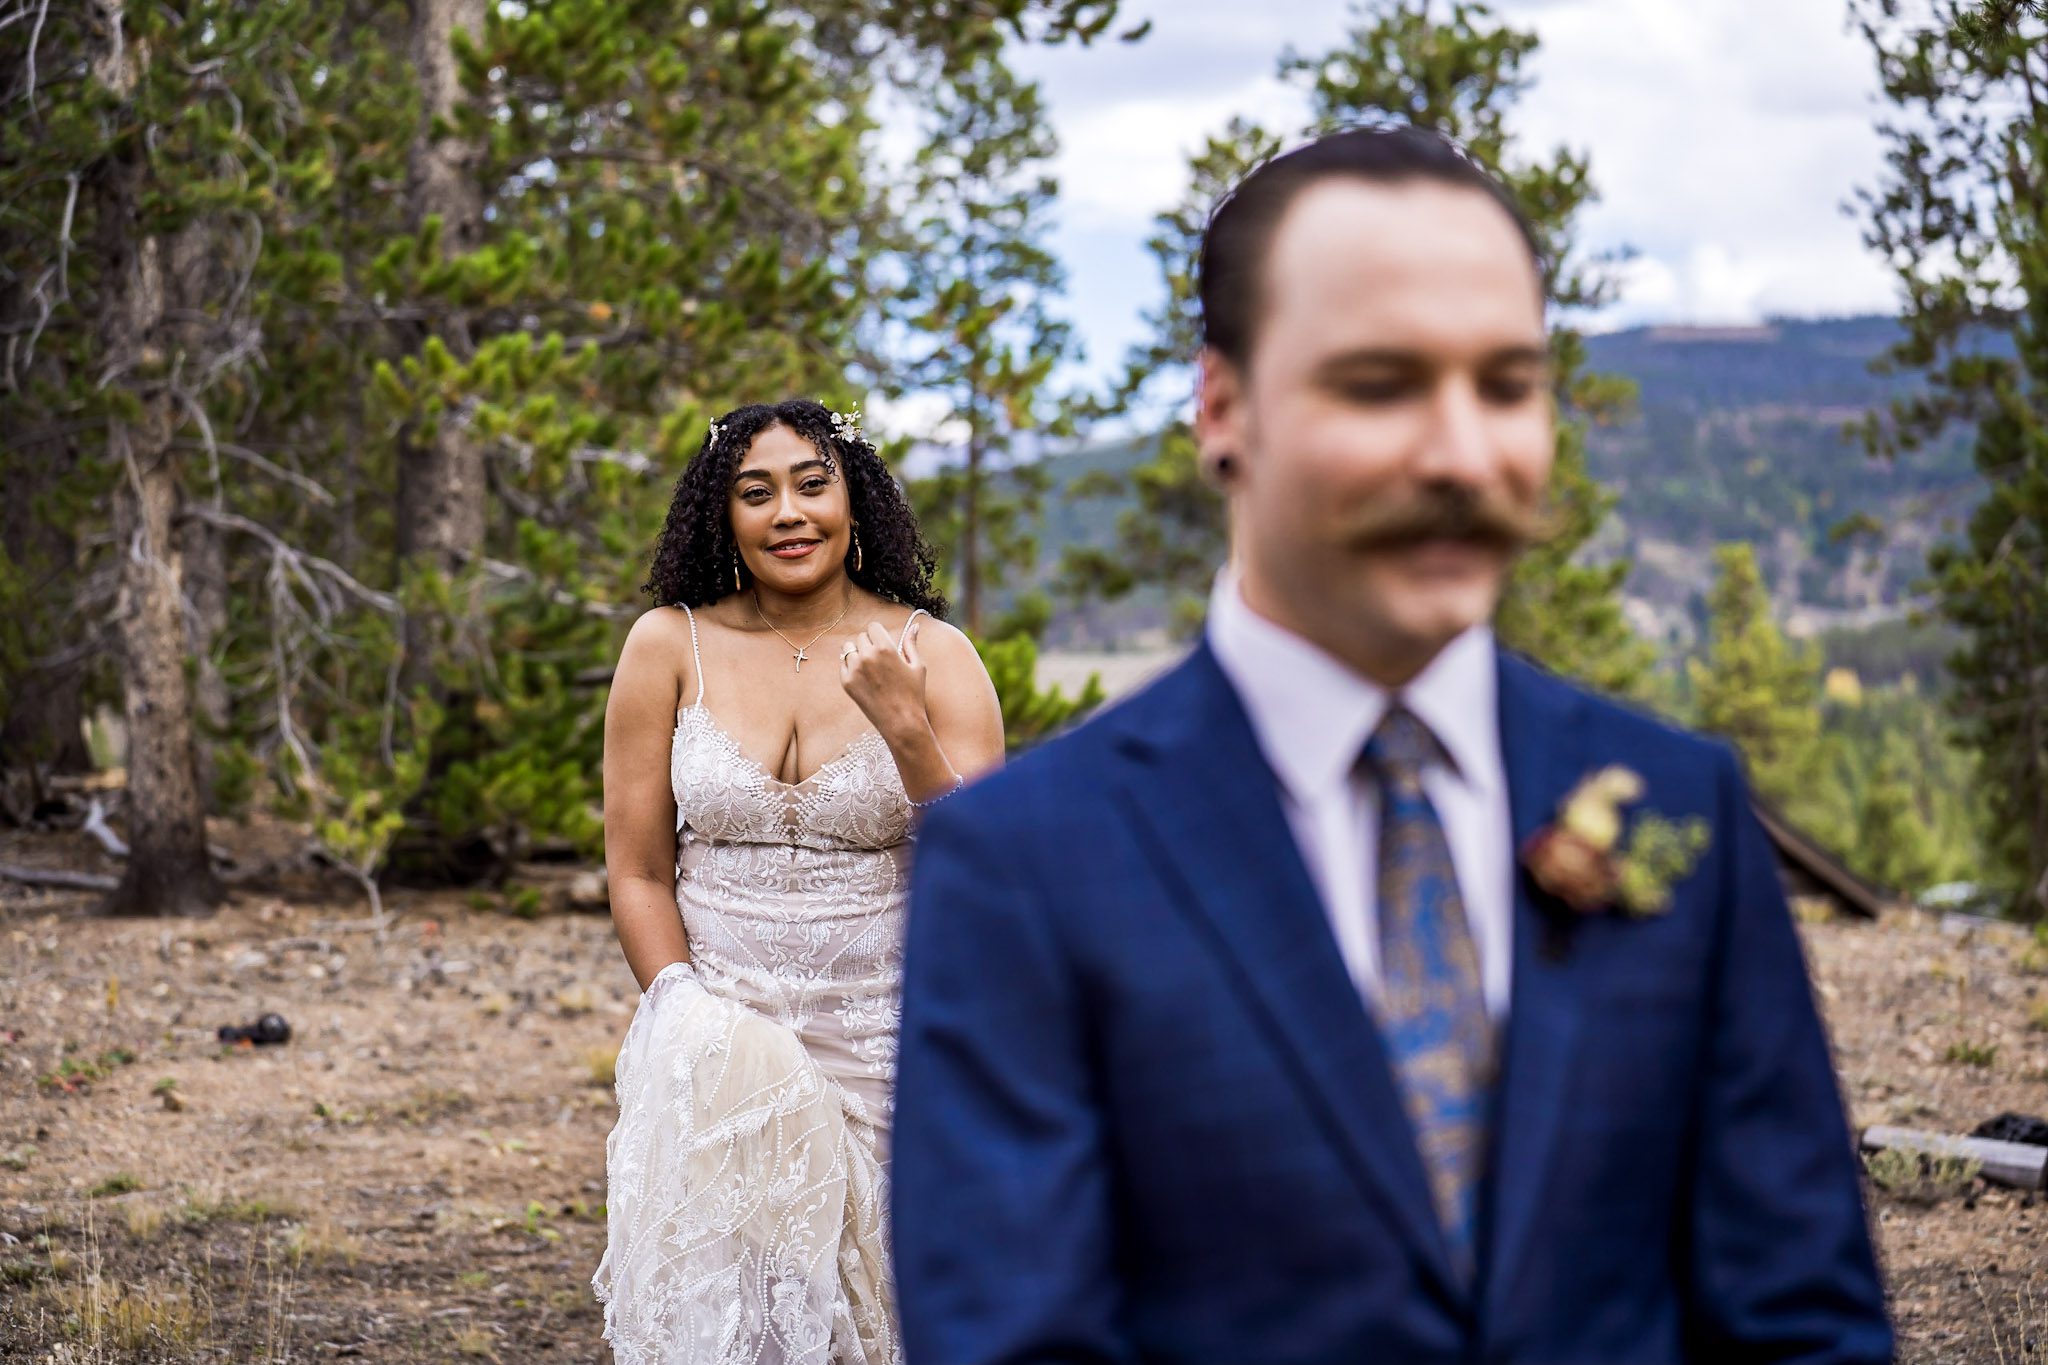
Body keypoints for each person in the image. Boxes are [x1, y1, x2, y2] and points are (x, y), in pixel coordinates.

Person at [891, 128, 1893, 1364]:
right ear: (1221, 407)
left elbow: (1801, 1320)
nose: (1461, 456)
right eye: (1377, 385)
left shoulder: (1676, 806)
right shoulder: (1023, 863)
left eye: (1507, 385)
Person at [594, 398, 1004, 1365]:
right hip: (718, 1044)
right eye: (756, 492)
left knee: (892, 1315)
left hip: (887, 1046)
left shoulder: (936, 656)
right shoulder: (667, 645)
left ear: (854, 501)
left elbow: (990, 871)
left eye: (813, 484)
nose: (789, 512)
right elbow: (640, 868)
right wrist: (681, 1012)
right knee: (744, 1319)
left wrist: (906, 731)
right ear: (722, 517)